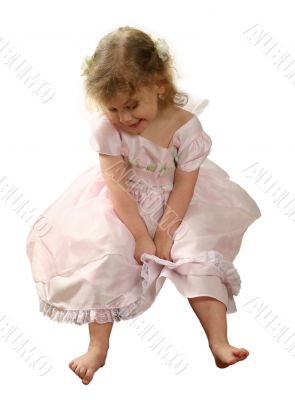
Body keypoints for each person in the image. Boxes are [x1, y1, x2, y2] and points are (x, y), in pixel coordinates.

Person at [26, 26, 262, 385]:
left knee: (197, 250)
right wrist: (139, 234)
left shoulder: (185, 127)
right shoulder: (109, 129)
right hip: (126, 201)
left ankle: (219, 340)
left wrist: (165, 231)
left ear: (158, 83)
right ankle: (97, 346)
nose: (123, 117)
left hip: (180, 200)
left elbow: (185, 184)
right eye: (114, 108)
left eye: (132, 105)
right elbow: (116, 186)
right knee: (103, 248)